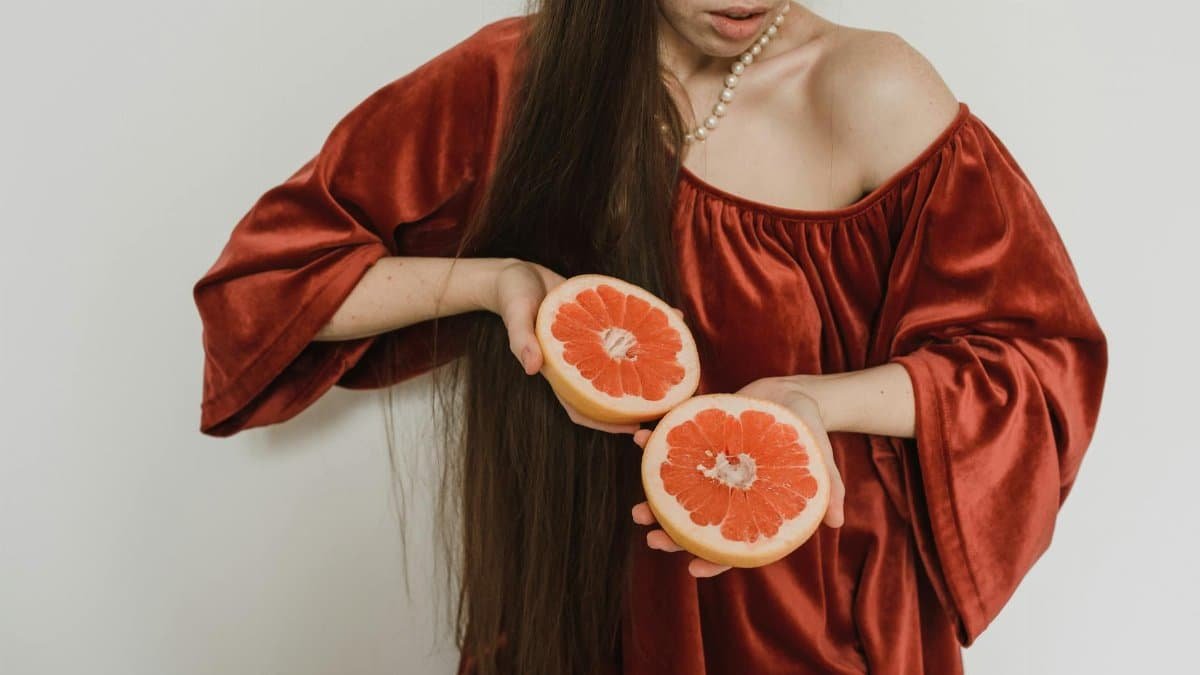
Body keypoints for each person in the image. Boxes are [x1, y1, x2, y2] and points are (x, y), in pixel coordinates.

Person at [192, 2, 1108, 674]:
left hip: (820, 627)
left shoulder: (874, 88)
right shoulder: (526, 78)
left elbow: (1034, 360)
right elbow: (267, 283)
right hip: (576, 617)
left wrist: (811, 402)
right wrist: (491, 282)